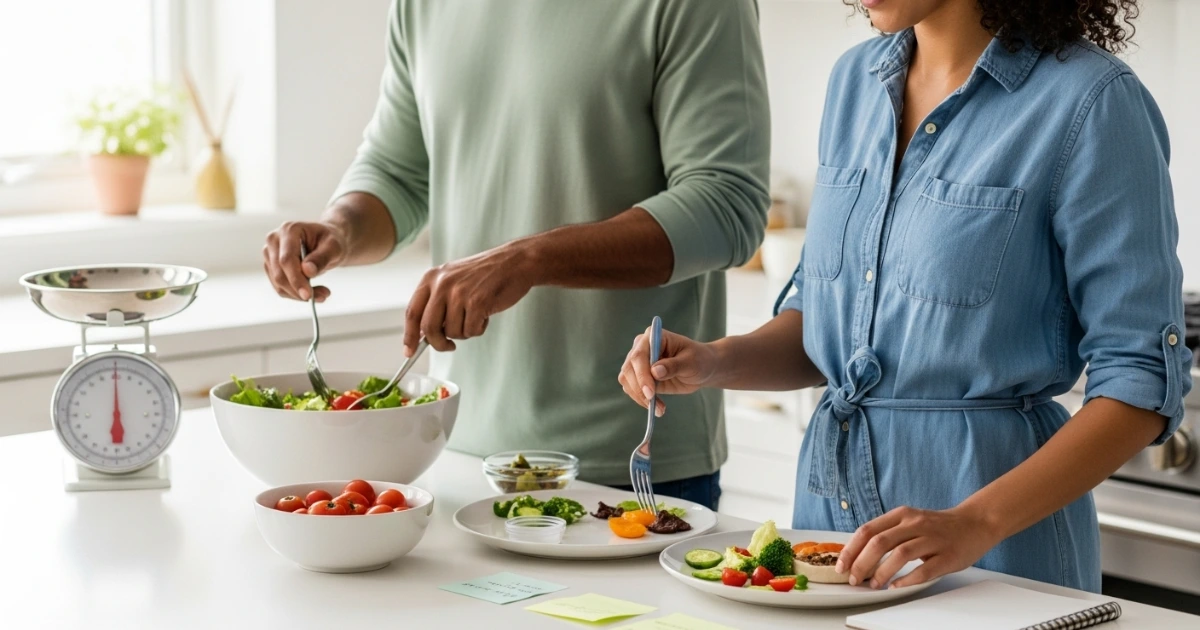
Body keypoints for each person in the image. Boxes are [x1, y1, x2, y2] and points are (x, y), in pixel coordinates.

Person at [618, 0, 1190, 590]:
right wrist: (716, 361)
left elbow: (1140, 379)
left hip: (994, 558)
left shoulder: (1091, 102)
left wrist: (974, 522)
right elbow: (825, 319)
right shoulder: (854, 83)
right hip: (830, 540)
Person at [260, 0, 771, 509]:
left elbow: (726, 205)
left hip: (627, 469)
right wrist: (339, 228)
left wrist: (530, 259)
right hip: (457, 455)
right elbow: (397, 171)